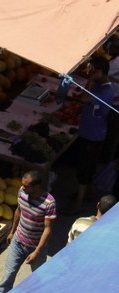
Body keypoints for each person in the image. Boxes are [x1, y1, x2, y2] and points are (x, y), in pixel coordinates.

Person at [0, 171, 56, 293]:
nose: (22, 187)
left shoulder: (49, 203)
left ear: (37, 187)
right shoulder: (22, 192)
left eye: (26, 185)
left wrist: (37, 252)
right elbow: (18, 211)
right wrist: (12, 231)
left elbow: (47, 229)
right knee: (6, 279)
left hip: (36, 248)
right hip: (18, 242)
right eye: (22, 184)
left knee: (37, 281)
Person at [69, 56, 114, 213]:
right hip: (89, 132)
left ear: (100, 72)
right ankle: (88, 193)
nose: (89, 73)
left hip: (93, 136)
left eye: (92, 71)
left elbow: (84, 97)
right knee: (88, 165)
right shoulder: (100, 86)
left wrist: (90, 80)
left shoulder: (105, 91)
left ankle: (78, 204)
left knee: (85, 169)